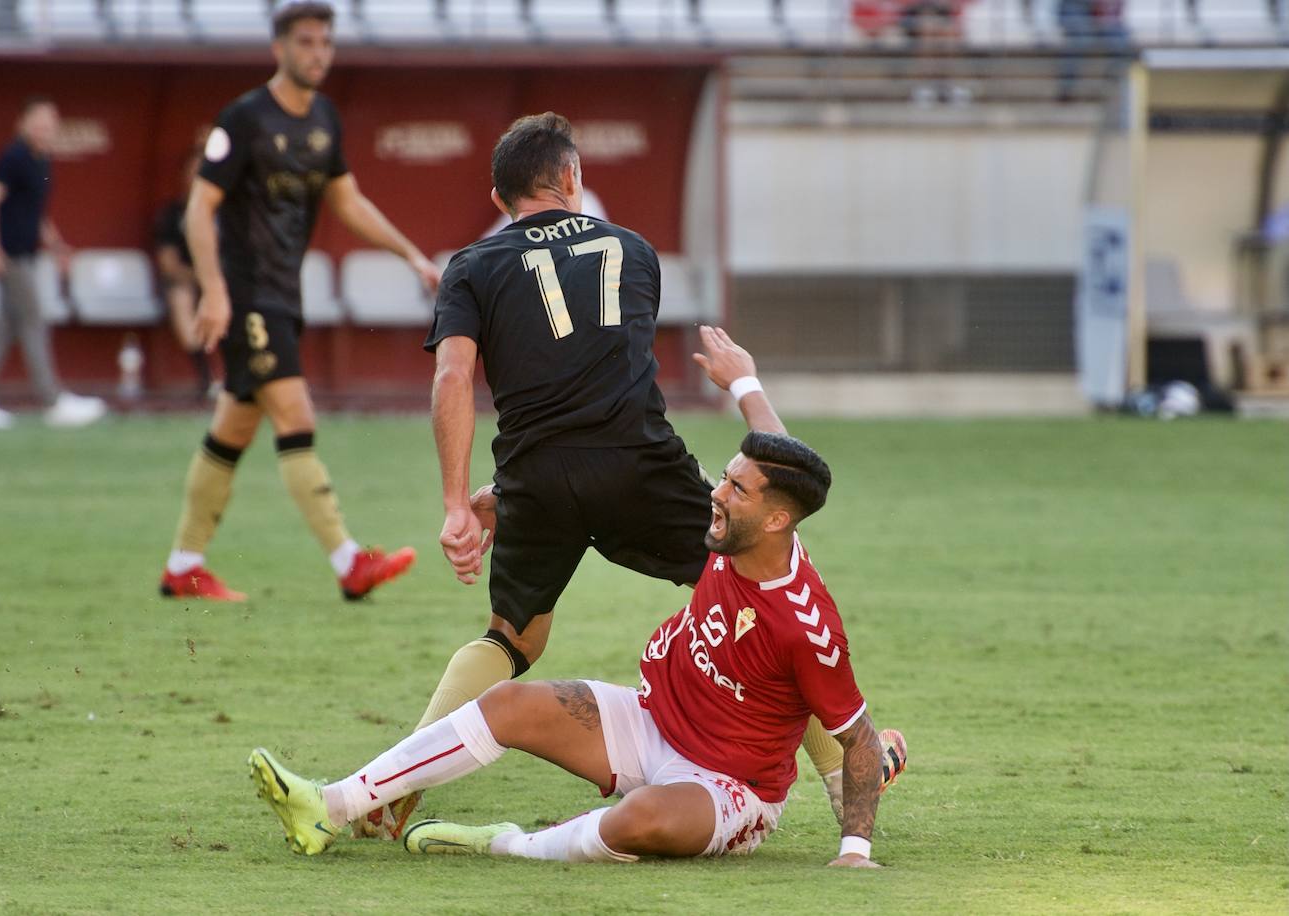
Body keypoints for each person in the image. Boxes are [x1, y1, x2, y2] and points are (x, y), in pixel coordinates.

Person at [368, 114, 853, 838]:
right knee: (755, 591)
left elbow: (455, 376)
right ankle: (849, 785)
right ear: (571, 179)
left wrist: (461, 504)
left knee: (513, 638)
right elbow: (596, 377)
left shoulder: (470, 266)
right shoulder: (634, 251)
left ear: (500, 198)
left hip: (536, 475)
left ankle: (392, 789)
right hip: (638, 464)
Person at [248, 428, 907, 866]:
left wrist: (854, 851)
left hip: (729, 785)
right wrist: (741, 379)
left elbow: (857, 737)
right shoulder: (734, 535)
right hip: (650, 720)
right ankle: (329, 806)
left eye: (735, 488)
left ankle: (505, 846)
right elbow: (774, 440)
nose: (716, 491)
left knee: (637, 819)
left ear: (776, 520)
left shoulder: (804, 622)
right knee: (509, 703)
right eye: (725, 477)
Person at [156, 0, 439, 602]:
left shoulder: (324, 119)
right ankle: (348, 562)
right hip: (246, 297)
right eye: (306, 42)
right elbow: (199, 209)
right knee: (297, 417)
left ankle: (184, 564)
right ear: (279, 48)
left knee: (232, 428)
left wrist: (410, 254)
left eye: (325, 43)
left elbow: (348, 201)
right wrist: (214, 291)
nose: (317, 54)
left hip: (282, 297)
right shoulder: (244, 119)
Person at [0, 96, 107, 430]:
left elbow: (35, 211)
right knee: (34, 322)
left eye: (50, 123)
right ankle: (52, 401)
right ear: (22, 123)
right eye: (38, 121)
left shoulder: (42, 160)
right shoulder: (14, 156)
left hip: (28, 254)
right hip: (10, 257)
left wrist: (54, 245)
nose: (44, 129)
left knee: (5, 328)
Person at [153, 145, 214, 401]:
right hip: (188, 281)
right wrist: (204, 279)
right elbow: (169, 265)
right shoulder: (172, 214)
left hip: (221, 282)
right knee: (180, 297)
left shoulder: (225, 213)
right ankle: (206, 378)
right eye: (194, 172)